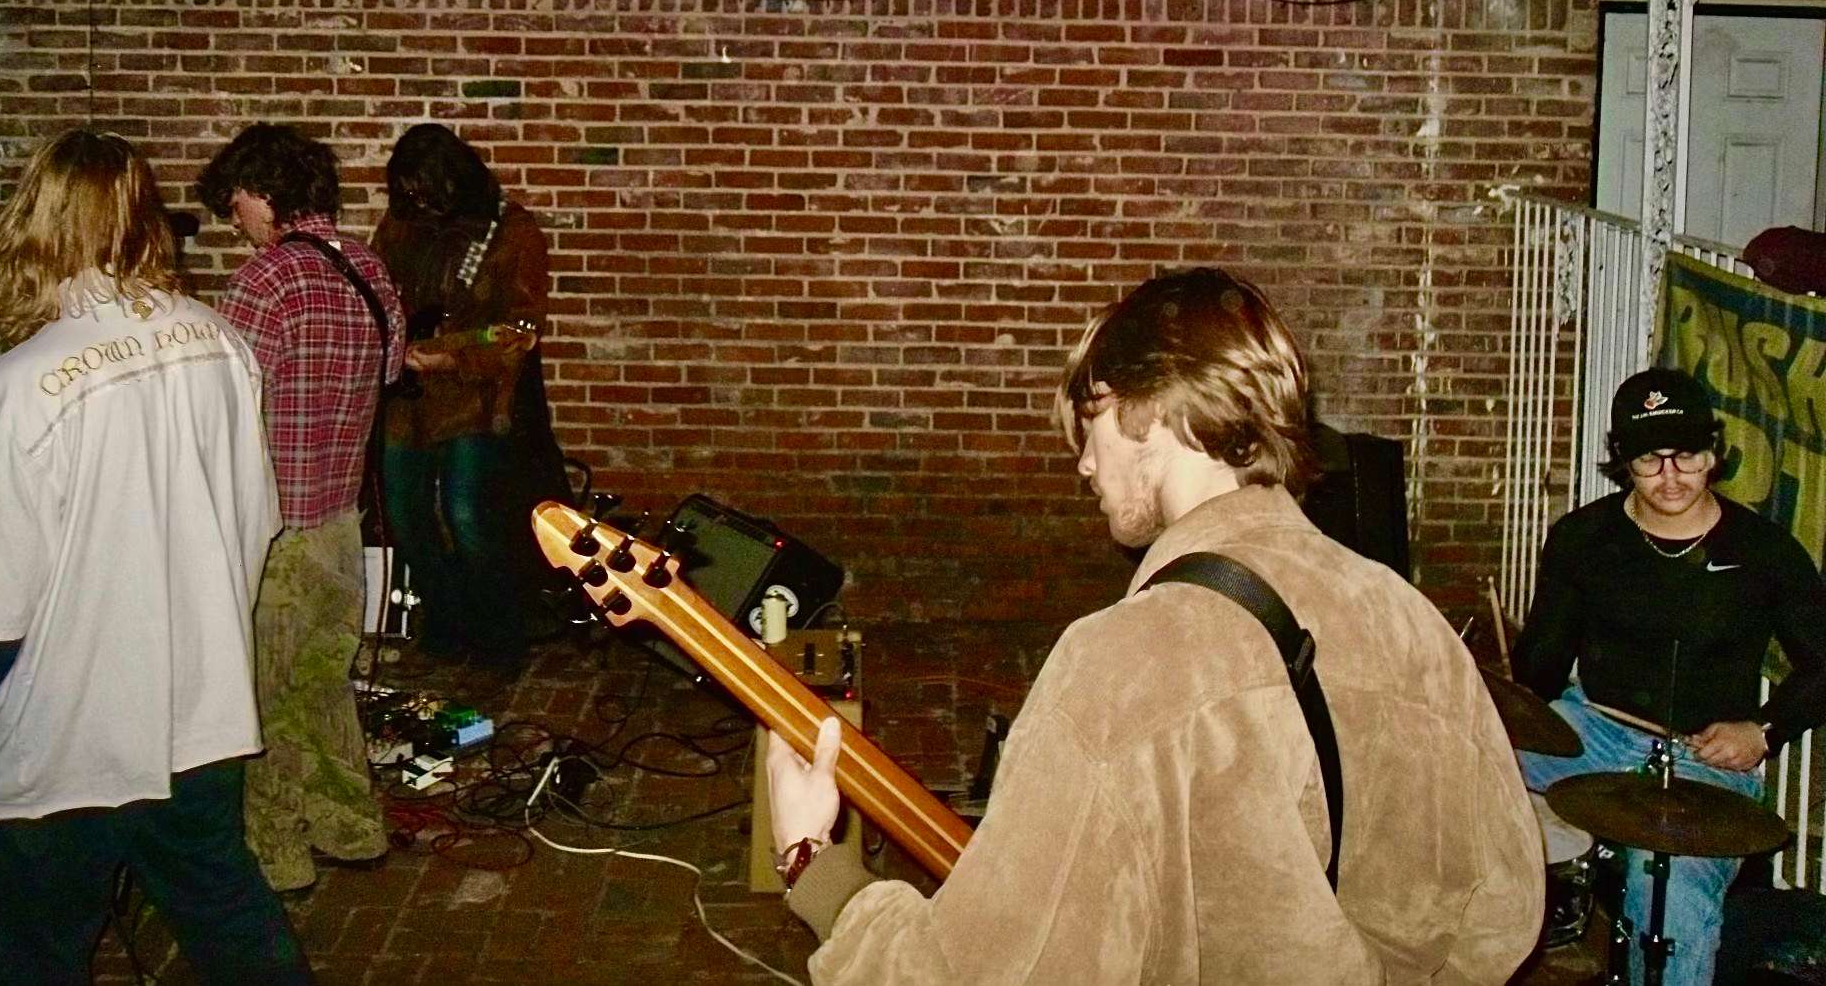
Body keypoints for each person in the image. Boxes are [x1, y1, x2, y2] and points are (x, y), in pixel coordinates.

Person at [766, 268, 1542, 984]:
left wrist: (814, 864)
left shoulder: (1122, 663)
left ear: (1151, 408)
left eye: (1093, 421)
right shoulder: (1406, 617)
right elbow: (1501, 909)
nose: (1084, 466)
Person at [0, 129, 309, 984]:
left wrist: (2, 686)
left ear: (36, 223)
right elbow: (255, 525)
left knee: (30, 950)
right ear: (146, 218)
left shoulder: (23, 385)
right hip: (200, 710)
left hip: (72, 734)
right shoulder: (218, 341)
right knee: (232, 923)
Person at [1512, 365, 1826, 986]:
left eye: (1687, 457)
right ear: (1623, 462)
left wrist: (1765, 728)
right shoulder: (1584, 539)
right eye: (1651, 460)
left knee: (1674, 891)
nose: (1671, 478)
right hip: (1593, 728)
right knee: (1449, 768)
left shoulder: (1764, 553)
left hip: (1705, 759)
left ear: (1713, 454)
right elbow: (1537, 675)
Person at [197, 124, 405, 895]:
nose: (233, 218)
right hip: (339, 522)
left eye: (237, 201)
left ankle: (277, 854)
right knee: (325, 682)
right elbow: (386, 374)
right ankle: (351, 826)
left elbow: (226, 403)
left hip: (273, 529)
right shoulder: (370, 269)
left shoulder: (266, 281)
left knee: (266, 697)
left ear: (266, 193)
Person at [372, 124, 566, 672]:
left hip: (474, 396)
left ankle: (500, 631)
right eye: (409, 191)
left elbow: (520, 329)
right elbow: (377, 288)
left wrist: (453, 356)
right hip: (407, 397)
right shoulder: (400, 225)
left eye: (429, 189)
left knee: (466, 515)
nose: (420, 201)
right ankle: (446, 621)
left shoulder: (511, 230)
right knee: (406, 517)